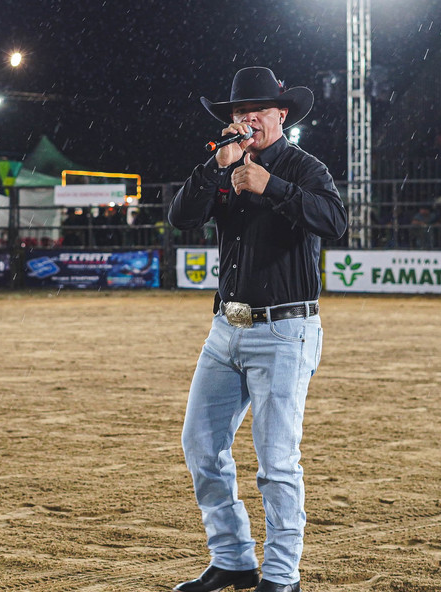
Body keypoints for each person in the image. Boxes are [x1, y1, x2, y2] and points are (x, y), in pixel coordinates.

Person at [168, 66, 347, 592]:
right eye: (240, 112)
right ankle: (233, 559)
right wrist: (214, 167)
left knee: (276, 462)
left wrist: (273, 187)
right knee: (201, 445)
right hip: (226, 330)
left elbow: (335, 222)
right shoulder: (224, 166)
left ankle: (282, 576)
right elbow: (181, 217)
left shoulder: (305, 168)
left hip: (285, 331)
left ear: (281, 115)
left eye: (258, 111)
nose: (248, 119)